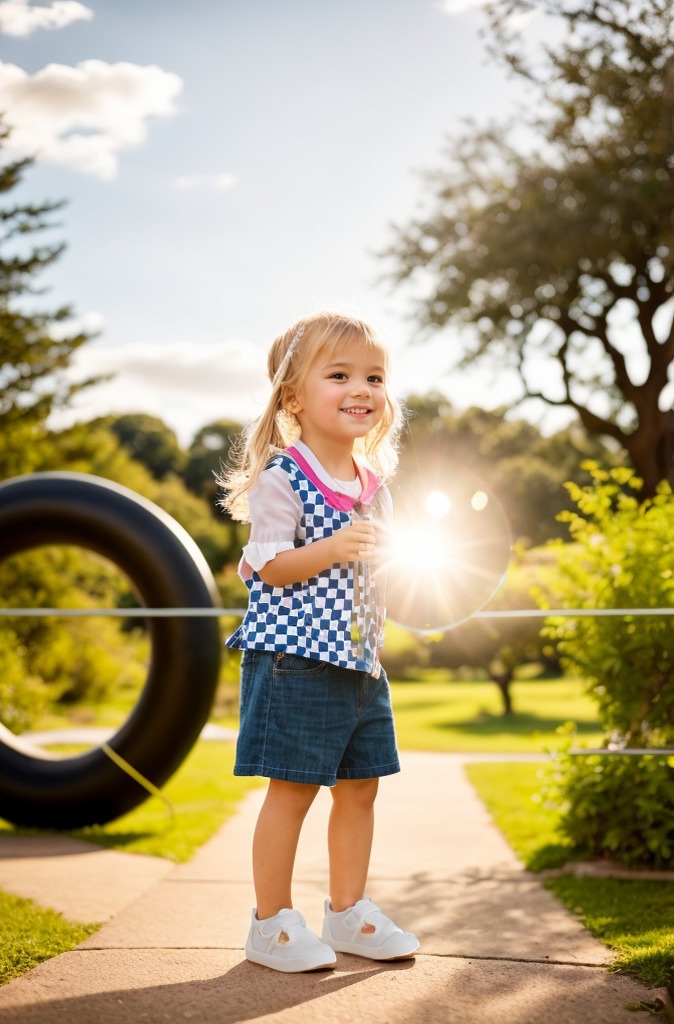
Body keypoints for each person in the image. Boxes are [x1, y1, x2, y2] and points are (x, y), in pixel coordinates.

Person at [219, 311, 419, 973]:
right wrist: (332, 548)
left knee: (361, 788)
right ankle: (271, 923)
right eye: (340, 375)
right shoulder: (284, 480)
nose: (362, 387)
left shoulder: (375, 490)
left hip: (361, 664)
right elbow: (269, 566)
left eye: (374, 376)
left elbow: (379, 572)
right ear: (295, 398)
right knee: (293, 789)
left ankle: (348, 910)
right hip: (297, 661)